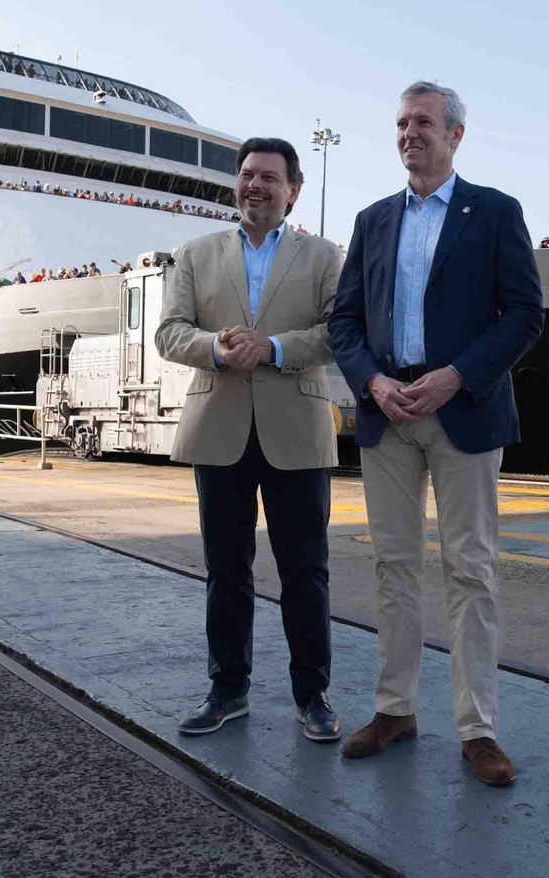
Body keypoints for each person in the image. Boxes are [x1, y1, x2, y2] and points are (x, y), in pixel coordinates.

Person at [328, 80, 543, 787]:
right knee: (393, 566)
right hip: (388, 415)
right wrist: (373, 382)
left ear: (456, 134)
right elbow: (346, 323)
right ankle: (396, 710)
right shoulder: (372, 219)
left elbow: (524, 315)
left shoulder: (496, 213)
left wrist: (456, 376)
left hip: (464, 410)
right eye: (401, 123)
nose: (409, 133)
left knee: (471, 570)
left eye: (424, 121)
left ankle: (478, 728)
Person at [153, 137, 345, 742]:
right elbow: (168, 333)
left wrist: (276, 348)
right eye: (246, 175)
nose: (254, 185)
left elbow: (341, 330)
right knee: (225, 569)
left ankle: (312, 695)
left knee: (305, 571)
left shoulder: (325, 256)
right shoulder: (195, 253)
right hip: (220, 428)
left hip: (297, 427)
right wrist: (215, 348)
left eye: (268, 177)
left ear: (294, 189)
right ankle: (228, 689)